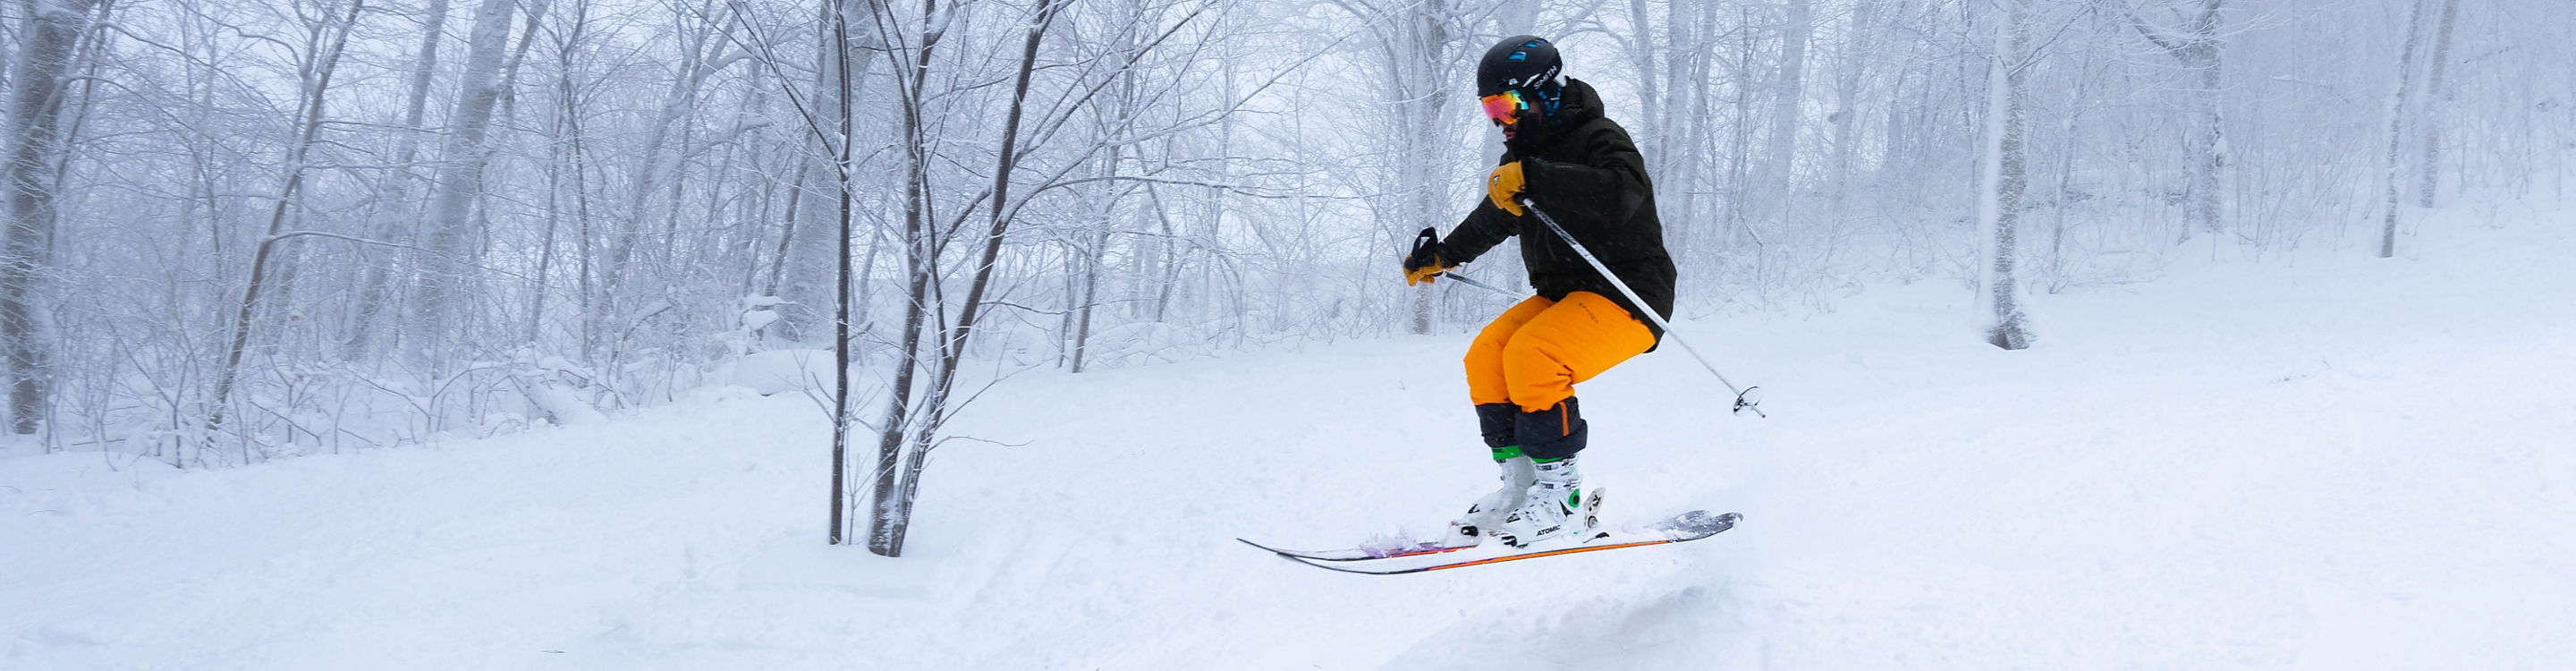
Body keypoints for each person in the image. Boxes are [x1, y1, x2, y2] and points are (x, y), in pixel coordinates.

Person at [1402, 35, 1678, 548]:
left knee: (1535, 356)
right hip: (1565, 295)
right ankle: (1524, 486)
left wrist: (1535, 177)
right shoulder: (1526, 157)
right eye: (1490, 107)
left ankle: (1565, 500)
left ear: (1544, 93)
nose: (1499, 118)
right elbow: (1499, 214)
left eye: (1506, 104)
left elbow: (1622, 194)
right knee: (1487, 356)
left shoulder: (1600, 137)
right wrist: (1445, 255)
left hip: (1629, 295)